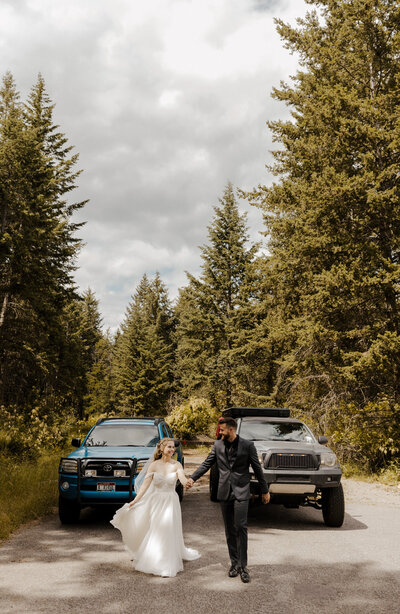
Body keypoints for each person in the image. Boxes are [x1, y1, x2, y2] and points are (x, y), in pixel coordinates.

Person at [186, 416, 270, 583]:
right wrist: (192, 478)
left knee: (241, 527)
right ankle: (234, 564)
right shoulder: (217, 445)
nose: (220, 432)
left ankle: (243, 566)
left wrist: (264, 490)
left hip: (241, 491)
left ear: (231, 429)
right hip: (224, 491)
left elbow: (257, 468)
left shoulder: (247, 445)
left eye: (222, 430)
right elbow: (206, 464)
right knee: (229, 530)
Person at [110, 437, 200, 577]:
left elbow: (182, 479)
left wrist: (186, 483)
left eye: (173, 447)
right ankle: (155, 557)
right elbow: (145, 486)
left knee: (167, 528)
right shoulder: (154, 465)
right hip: (156, 502)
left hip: (170, 501)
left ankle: (166, 564)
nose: (172, 449)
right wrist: (135, 501)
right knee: (156, 530)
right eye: (169, 447)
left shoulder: (176, 465)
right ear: (162, 448)